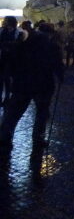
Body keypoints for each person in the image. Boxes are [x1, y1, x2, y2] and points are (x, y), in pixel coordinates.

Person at [0, 22, 64, 151]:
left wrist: (12, 76)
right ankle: (38, 138)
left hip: (22, 84)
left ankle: (4, 137)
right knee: (42, 112)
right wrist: (60, 77)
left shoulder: (24, 44)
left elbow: (13, 61)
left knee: (14, 113)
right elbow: (58, 65)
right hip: (43, 84)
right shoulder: (52, 46)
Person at [1, 16, 22, 106]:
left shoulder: (17, 32)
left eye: (6, 21)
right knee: (2, 78)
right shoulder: (2, 31)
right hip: (3, 57)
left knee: (7, 78)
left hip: (12, 58)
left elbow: (18, 45)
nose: (4, 22)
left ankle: (7, 97)